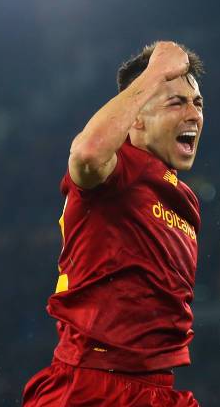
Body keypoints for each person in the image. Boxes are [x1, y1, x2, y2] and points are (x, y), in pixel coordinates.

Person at [22, 41, 205, 406]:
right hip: (93, 388)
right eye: (176, 102)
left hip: (157, 390)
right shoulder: (116, 171)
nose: (193, 114)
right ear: (136, 116)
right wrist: (154, 73)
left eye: (197, 103)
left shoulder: (184, 201)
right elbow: (87, 154)